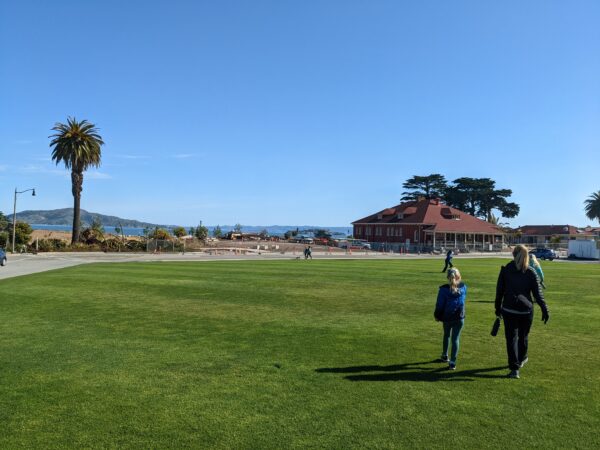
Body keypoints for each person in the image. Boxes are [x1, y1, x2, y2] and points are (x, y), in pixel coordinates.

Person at [495, 245, 550, 379]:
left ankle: (515, 369)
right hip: (526, 311)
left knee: (511, 339)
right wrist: (544, 309)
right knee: (523, 337)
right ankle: (521, 359)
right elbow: (538, 294)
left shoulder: (506, 270)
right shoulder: (531, 272)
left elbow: (499, 291)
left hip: (509, 309)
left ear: (513, 255)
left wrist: (497, 308)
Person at [434, 268, 467, 370]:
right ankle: (452, 362)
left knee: (447, 335)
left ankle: (445, 355)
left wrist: (437, 315)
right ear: (458, 276)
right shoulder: (464, 287)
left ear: (448, 277)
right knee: (455, 338)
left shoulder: (443, 290)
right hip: (459, 316)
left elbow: (440, 305)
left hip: (448, 316)